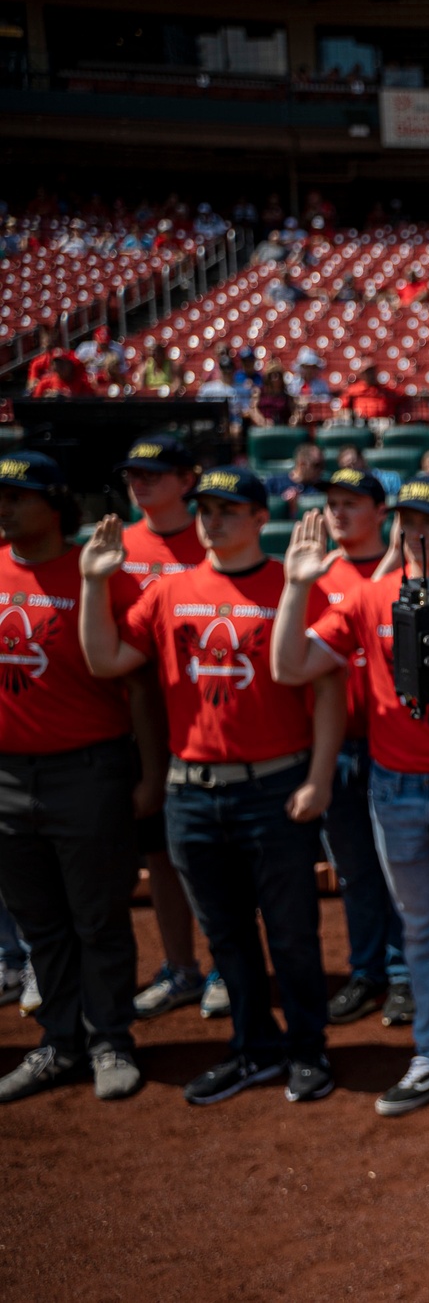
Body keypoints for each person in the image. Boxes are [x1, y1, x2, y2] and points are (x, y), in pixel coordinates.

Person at [78, 468, 345, 1107]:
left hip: (274, 786)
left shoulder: (293, 581)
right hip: (190, 792)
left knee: (291, 931)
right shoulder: (173, 590)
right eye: (206, 509)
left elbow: (329, 685)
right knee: (226, 937)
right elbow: (105, 660)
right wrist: (92, 583)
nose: (213, 519)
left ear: (260, 517)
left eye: (229, 509)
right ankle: (254, 1047)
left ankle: (308, 1048)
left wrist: (318, 778)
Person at [275, 480, 429, 1117]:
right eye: (406, 519)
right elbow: (290, 667)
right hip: (395, 786)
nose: (414, 530)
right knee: (423, 931)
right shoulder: (371, 593)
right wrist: (296, 585)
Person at [0, 453, 146, 1103]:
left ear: (55, 505)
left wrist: (151, 767)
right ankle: (59, 1041)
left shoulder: (104, 573)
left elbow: (137, 684)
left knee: (98, 917)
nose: (4, 505)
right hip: (6, 776)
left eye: (18, 495)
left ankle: (110, 1036)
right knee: (40, 923)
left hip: (88, 768)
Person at [115, 434, 219, 1019]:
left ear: (187, 478)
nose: (140, 481)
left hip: (211, 714)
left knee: (222, 858)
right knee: (159, 855)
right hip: (137, 717)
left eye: (154, 472)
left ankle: (227, 966)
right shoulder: (116, 545)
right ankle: (181, 966)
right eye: (134, 472)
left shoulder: (216, 541)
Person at [313, 467, 412, 1030]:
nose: (339, 513)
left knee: (396, 870)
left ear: (381, 511)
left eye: (352, 502)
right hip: (340, 746)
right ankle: (366, 971)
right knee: (352, 869)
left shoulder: (401, 576)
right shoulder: (315, 573)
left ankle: (402, 975)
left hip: (393, 744)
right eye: (332, 502)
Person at [265, 442, 326, 513]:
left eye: (323, 465)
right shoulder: (274, 483)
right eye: (317, 465)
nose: (321, 469)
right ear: (302, 464)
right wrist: (282, 502)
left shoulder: (321, 488)